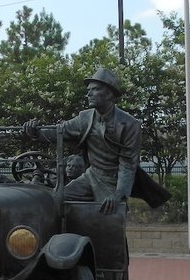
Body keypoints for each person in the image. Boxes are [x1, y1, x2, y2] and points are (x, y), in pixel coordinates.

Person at [23, 67, 168, 214]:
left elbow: (128, 164)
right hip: (91, 175)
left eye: (95, 89)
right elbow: (59, 131)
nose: (88, 94)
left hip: (113, 181)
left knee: (111, 218)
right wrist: (35, 131)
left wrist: (118, 194)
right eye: (88, 90)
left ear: (109, 94)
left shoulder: (130, 125)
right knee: (56, 199)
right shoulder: (85, 118)